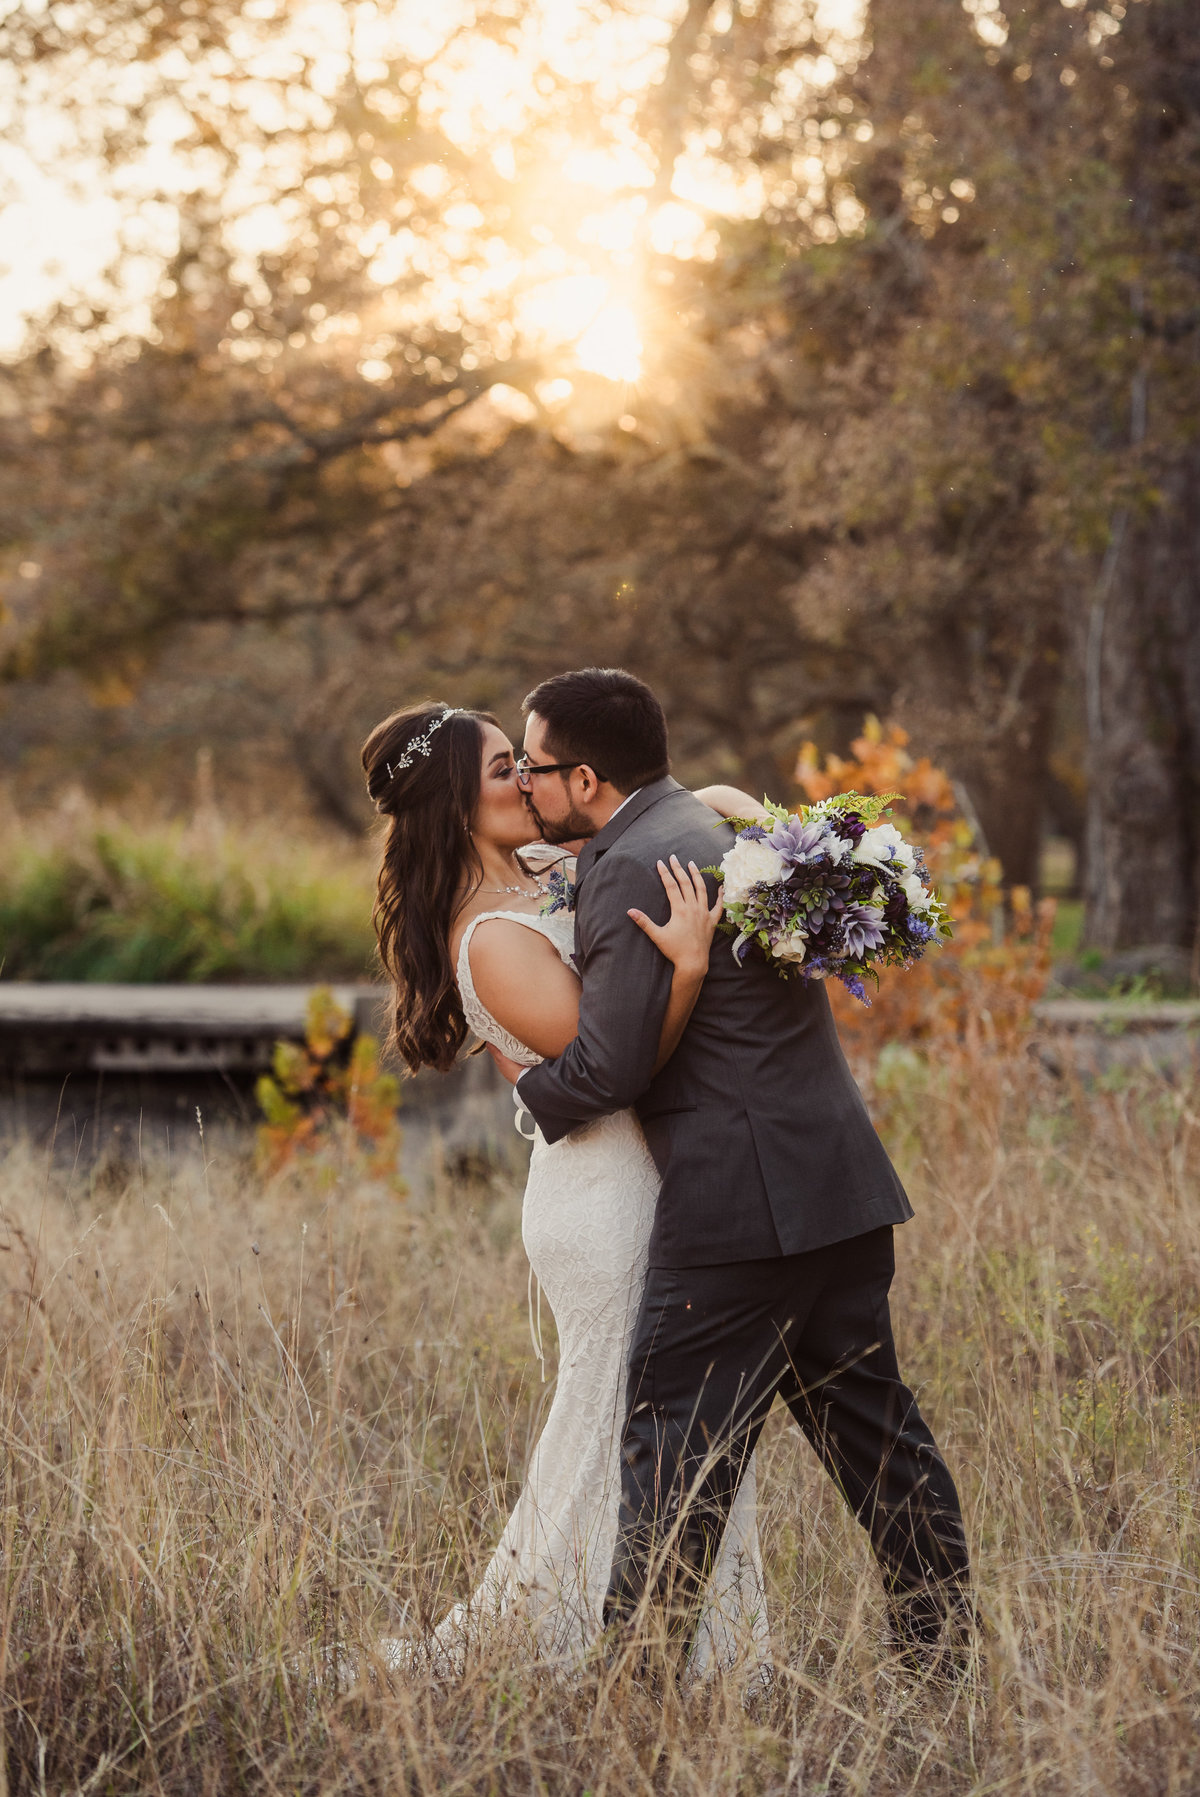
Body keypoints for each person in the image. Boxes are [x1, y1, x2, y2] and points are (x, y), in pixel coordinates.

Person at [508, 667, 972, 1676]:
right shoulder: (703, 826)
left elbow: (613, 1065)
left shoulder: (633, 867)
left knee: (672, 1444)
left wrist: (522, 1085)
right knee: (876, 1433)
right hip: (836, 1182)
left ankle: (642, 1689)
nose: (521, 783)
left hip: (740, 1206)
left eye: (532, 766)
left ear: (584, 778)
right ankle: (942, 1661)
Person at [361, 699, 771, 1677]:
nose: (533, 779)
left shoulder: (548, 872)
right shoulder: (491, 940)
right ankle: (565, 1647)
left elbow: (655, 824)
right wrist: (686, 969)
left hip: (650, 1174)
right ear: (462, 801)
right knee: (629, 1424)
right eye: (508, 768)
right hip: (605, 1195)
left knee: (674, 1419)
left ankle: (695, 1651)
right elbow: (612, 1061)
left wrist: (710, 803)